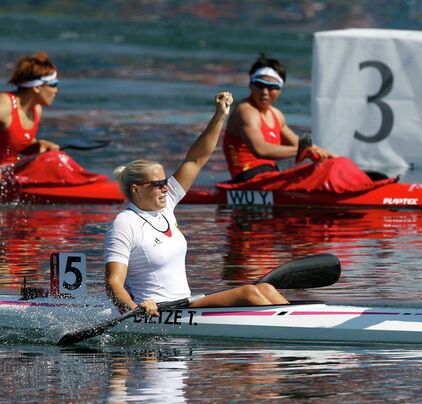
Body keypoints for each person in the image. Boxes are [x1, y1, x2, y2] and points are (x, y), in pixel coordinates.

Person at [105, 91, 289, 316]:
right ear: (136, 189)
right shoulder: (125, 223)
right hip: (155, 312)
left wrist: (219, 115)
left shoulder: (165, 206)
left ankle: (305, 323)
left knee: (265, 289)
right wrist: (133, 311)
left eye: (165, 181)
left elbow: (196, 159)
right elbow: (113, 283)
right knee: (251, 293)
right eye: (158, 184)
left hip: (185, 304)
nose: (165, 187)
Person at [219, 54, 394, 193]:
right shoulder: (246, 111)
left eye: (272, 87)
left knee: (334, 164)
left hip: (270, 179)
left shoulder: (276, 115)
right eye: (259, 85)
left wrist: (330, 156)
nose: (265, 92)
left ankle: (365, 183)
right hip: (248, 183)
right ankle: (365, 191)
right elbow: (261, 150)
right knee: (324, 171)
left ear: (280, 90)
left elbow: (301, 144)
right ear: (251, 85)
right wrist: (304, 151)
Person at [0, 51, 106, 185]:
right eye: (54, 84)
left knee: (54, 158)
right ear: (37, 87)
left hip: (10, 172)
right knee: (56, 159)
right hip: (4, 176)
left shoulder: (36, 109)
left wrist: (35, 145)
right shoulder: (3, 107)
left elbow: (11, 142)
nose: (56, 90)